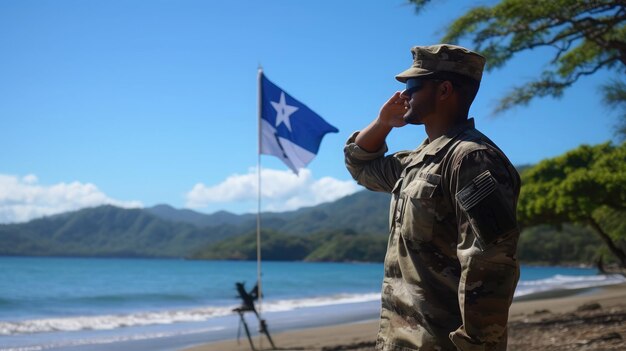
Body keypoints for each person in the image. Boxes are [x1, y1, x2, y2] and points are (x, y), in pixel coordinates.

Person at [344, 44, 521, 351]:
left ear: (444, 90)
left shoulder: (471, 159)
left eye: (413, 85)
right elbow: (360, 166)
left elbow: (490, 265)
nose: (403, 96)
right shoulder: (417, 161)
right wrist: (383, 123)